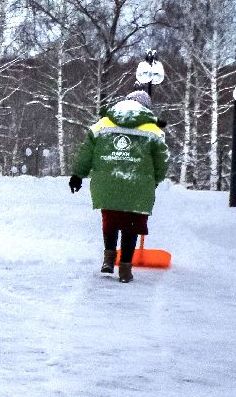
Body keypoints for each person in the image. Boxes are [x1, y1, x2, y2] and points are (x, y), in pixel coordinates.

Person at [69, 88, 168, 282]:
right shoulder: (153, 130)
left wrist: (78, 175)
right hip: (138, 184)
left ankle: (108, 259)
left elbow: (86, 152)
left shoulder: (102, 124)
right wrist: (154, 180)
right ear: (146, 108)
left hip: (107, 182)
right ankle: (125, 269)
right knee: (131, 224)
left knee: (111, 220)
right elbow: (162, 161)